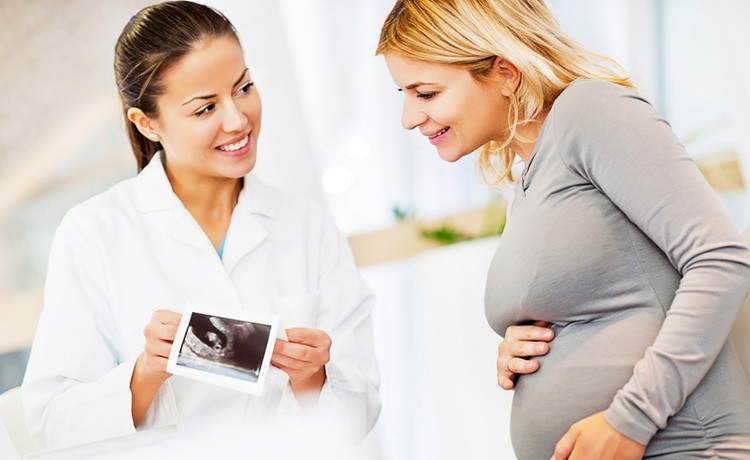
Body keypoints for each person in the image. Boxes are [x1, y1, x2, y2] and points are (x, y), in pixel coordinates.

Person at [377, 0, 750, 458]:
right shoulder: (529, 177)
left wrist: (631, 419)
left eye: (427, 94)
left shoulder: (589, 111)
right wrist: (524, 345)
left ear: (504, 72)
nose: (408, 118)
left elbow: (719, 259)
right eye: (404, 95)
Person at [22, 0, 380, 451]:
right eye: (205, 108)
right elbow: (50, 423)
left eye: (244, 87)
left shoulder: (309, 226)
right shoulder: (93, 233)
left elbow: (362, 411)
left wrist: (313, 377)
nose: (238, 119)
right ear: (147, 123)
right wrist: (145, 374)